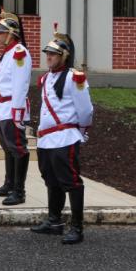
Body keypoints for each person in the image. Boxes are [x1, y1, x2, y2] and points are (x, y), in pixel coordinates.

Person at [31, 28, 93, 244]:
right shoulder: (47, 77)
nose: (48, 57)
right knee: (51, 180)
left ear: (64, 56)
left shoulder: (74, 77)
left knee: (71, 181)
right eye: (47, 53)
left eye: (53, 54)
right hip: (47, 138)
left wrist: (81, 132)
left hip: (65, 137)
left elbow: (85, 110)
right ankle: (54, 221)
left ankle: (77, 228)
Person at [0, 10, 32, 205]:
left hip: (11, 108)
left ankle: (19, 191)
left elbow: (20, 85)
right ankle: (9, 184)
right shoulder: (8, 54)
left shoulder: (19, 53)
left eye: (1, 32)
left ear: (12, 33)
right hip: (1, 108)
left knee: (18, 149)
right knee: (8, 149)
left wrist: (17, 113)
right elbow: (4, 80)